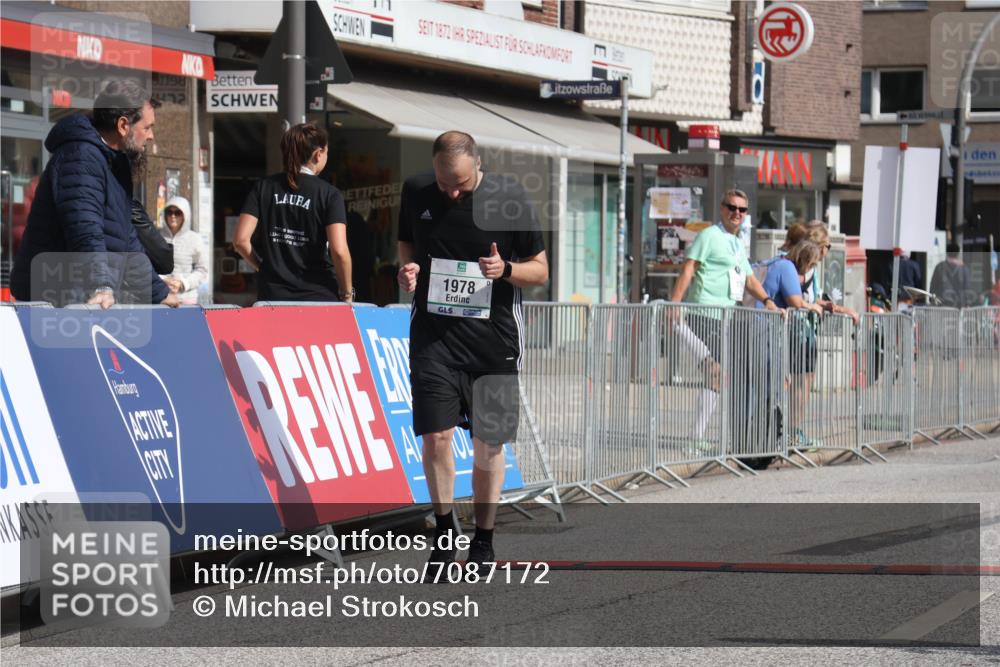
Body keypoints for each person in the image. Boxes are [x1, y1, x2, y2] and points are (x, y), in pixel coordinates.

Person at [397, 131, 548, 578]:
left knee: (488, 444)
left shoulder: (511, 197)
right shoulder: (417, 191)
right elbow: (408, 242)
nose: (453, 192)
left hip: (493, 342)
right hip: (434, 337)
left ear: (478, 165)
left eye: (461, 184)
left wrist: (507, 270)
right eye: (445, 184)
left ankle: (483, 538)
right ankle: (445, 535)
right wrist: (407, 270)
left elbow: (539, 270)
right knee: (436, 437)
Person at [10, 80, 176, 308]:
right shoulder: (80, 156)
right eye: (147, 127)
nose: (151, 136)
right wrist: (100, 285)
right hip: (55, 301)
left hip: (80, 298)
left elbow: (126, 240)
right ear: (123, 125)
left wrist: (158, 293)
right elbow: (85, 229)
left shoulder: (113, 163)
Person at [670, 189, 778, 455]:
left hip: (727, 318)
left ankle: (702, 437)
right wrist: (674, 303)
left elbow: (749, 280)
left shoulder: (737, 242)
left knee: (718, 377)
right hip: (703, 314)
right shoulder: (709, 236)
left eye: (742, 210)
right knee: (715, 372)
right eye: (732, 207)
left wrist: (767, 300)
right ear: (721, 208)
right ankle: (694, 439)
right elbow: (689, 268)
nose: (737, 214)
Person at [234, 123, 353, 303]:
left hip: (273, 296)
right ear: (318, 154)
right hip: (318, 296)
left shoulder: (263, 187)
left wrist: (263, 267)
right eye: (327, 152)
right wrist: (346, 293)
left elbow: (240, 241)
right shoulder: (329, 194)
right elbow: (339, 250)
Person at [756, 241, 825, 449]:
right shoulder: (786, 267)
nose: (811, 269)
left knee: (771, 385)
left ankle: (769, 436)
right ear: (804, 260)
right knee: (772, 386)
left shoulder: (777, 262)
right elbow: (796, 301)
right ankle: (770, 438)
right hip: (765, 328)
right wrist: (812, 306)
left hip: (762, 327)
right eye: (811, 264)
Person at [159, 196, 207, 305]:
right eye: (169, 212)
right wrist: (163, 280)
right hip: (161, 298)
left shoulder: (195, 239)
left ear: (185, 215)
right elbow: (148, 266)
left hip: (186, 299)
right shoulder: (156, 237)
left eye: (178, 213)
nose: (173, 216)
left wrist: (183, 283)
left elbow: (202, 269)